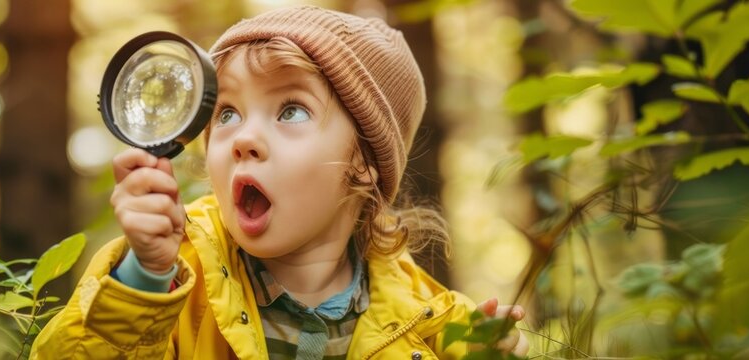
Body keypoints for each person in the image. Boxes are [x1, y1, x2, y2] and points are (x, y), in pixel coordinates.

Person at [32, 5, 529, 359]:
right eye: (227, 113)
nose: (243, 138)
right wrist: (144, 280)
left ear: (364, 161)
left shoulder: (432, 321)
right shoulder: (173, 276)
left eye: (291, 110)